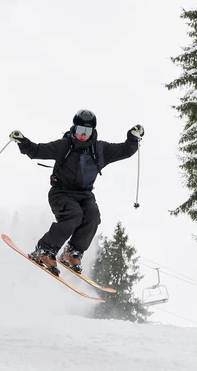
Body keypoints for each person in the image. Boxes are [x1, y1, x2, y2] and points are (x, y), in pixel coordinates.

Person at [10, 109, 144, 274]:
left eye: (87, 131)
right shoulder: (64, 146)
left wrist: (133, 138)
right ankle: (44, 250)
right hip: (61, 193)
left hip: (85, 195)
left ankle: (72, 252)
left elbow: (125, 150)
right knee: (74, 214)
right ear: (74, 129)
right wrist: (22, 141)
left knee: (93, 215)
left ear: (93, 131)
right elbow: (37, 150)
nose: (83, 135)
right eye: (80, 130)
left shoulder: (100, 150)